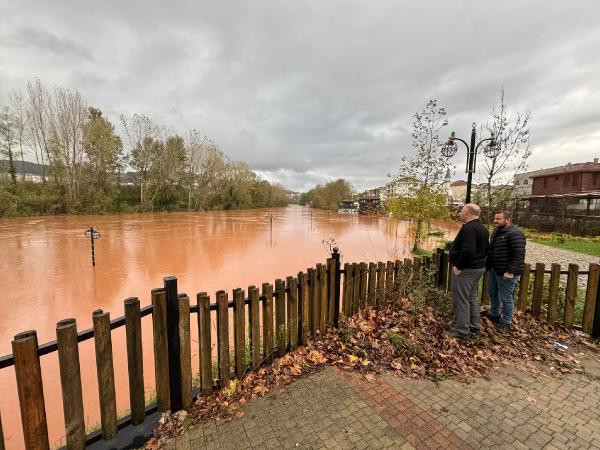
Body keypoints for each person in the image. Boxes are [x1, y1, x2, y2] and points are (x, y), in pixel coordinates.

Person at [448, 204, 489, 340]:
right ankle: (474, 326)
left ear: (467, 213)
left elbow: (468, 251)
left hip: (466, 270)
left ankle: (462, 331)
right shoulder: (482, 228)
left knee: (461, 300)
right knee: (471, 298)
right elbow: (485, 250)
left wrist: (459, 266)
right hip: (478, 268)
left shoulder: (469, 229)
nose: (460, 213)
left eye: (462, 211)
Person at [486, 210, 526, 333]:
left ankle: (506, 322)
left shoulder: (516, 234)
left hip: (506, 272)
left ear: (508, 220)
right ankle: (494, 313)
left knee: (506, 298)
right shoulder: (497, 231)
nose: (495, 221)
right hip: (494, 268)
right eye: (495, 218)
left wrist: (510, 271)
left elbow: (519, 255)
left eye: (498, 219)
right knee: (492, 291)